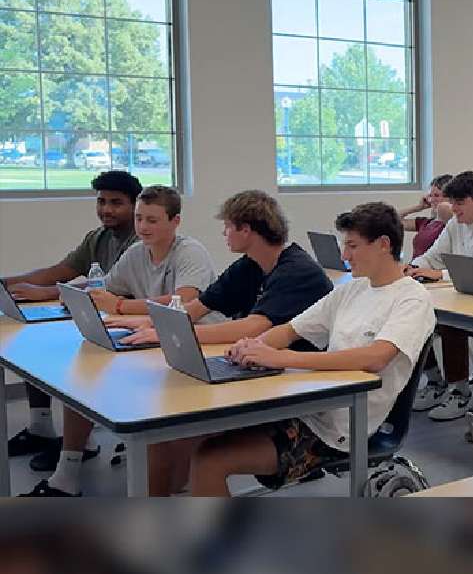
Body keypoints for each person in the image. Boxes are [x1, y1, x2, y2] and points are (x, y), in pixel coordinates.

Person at [143, 202, 435, 496]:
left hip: (344, 425)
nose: (345, 255)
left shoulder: (412, 298)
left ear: (383, 244)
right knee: (171, 433)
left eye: (353, 246)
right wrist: (254, 346)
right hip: (309, 406)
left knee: (210, 460)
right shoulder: (353, 288)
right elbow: (291, 329)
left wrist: (282, 357)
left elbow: (375, 358)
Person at [23, 185, 220, 496]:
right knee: (83, 371)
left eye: (153, 220)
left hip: (197, 342)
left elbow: (183, 301)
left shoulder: (190, 252)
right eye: (140, 219)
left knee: (172, 479)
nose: (143, 227)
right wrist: (71, 295)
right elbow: (106, 287)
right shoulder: (136, 251)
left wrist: (120, 307)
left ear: (175, 221)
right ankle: (67, 472)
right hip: (149, 336)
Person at [2, 171, 142, 470]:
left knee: (74, 363)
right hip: (97, 317)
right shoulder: (98, 237)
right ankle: (42, 428)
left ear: (135, 205)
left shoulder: (140, 242)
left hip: (124, 323)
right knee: (35, 345)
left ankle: (79, 446)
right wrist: (6, 283)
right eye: (102, 201)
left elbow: (107, 286)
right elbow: (60, 270)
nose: (106, 209)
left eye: (116, 203)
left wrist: (46, 292)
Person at [114, 189, 333, 348]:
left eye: (227, 226)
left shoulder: (297, 272)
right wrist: (150, 322)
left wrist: (168, 334)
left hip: (301, 373)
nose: (224, 233)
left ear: (245, 230)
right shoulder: (249, 265)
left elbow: (253, 327)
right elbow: (196, 307)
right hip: (264, 360)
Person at [405, 171, 473, 421]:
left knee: (450, 324)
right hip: (465, 295)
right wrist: (413, 266)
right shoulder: (455, 224)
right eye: (452, 202)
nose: (453, 209)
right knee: (425, 317)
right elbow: (433, 255)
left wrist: (437, 274)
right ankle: (445, 384)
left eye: (459, 203)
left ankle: (462, 392)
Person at [400, 173, 455, 260]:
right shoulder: (427, 222)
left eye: (437, 195)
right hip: (415, 268)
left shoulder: (452, 223)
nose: (431, 200)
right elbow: (394, 220)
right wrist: (418, 207)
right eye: (430, 195)